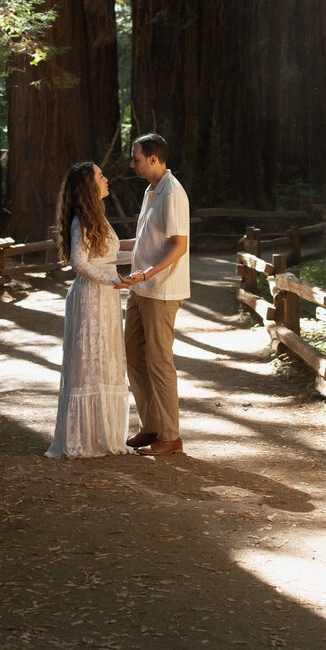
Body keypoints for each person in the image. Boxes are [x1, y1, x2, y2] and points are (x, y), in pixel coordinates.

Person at [46, 160, 130, 458]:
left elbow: (112, 254)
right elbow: (79, 263)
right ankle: (82, 437)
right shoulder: (80, 220)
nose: (107, 179)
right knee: (87, 364)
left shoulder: (98, 218)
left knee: (105, 361)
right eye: (101, 176)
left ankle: (104, 435)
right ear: (89, 186)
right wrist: (112, 278)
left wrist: (151, 246)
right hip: (89, 299)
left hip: (105, 298)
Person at [120, 132, 189, 455]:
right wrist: (110, 247)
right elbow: (148, 242)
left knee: (160, 361)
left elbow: (179, 246)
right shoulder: (152, 191)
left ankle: (170, 436)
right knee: (133, 354)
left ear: (153, 159)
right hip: (141, 288)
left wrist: (146, 273)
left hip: (161, 289)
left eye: (135, 159)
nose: (131, 164)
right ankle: (151, 426)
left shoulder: (172, 194)